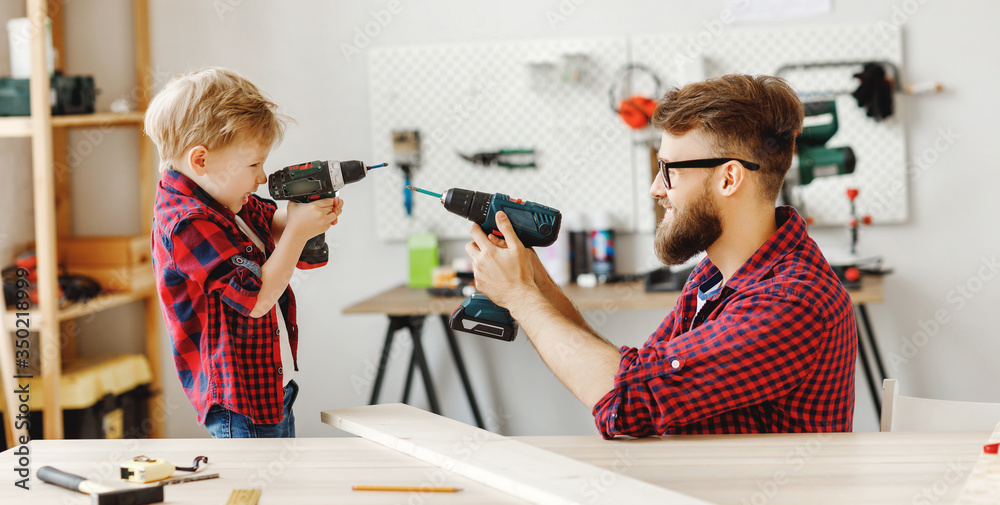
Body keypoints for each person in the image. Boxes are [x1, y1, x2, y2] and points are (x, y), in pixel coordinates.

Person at [465, 74, 857, 437]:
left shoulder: (789, 302)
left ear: (729, 178)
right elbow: (635, 377)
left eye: (669, 170)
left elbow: (627, 406)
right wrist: (535, 282)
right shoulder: (713, 277)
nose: (657, 188)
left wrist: (520, 297)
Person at [144, 67, 343, 437]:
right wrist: (299, 229)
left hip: (267, 392)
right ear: (200, 160)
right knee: (254, 492)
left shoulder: (227, 200)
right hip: (239, 406)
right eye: (253, 164)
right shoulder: (186, 224)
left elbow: (274, 222)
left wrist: (305, 214)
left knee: (280, 491)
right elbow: (257, 298)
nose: (262, 177)